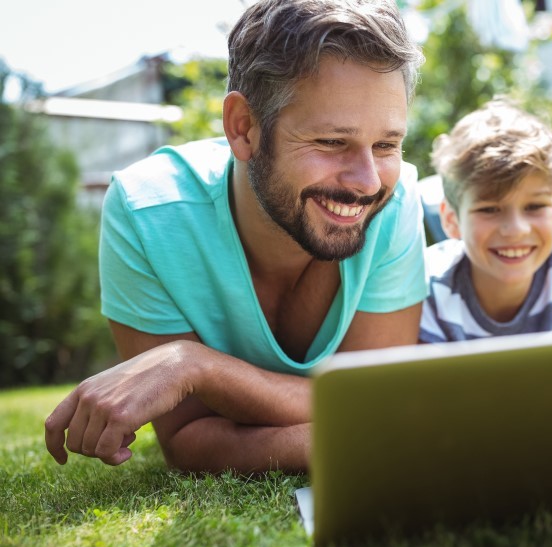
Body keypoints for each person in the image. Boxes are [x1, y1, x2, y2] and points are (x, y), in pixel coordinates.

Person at [44, 0, 427, 473]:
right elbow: (189, 439)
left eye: (386, 144)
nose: (368, 181)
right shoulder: (147, 212)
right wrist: (358, 433)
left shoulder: (396, 199)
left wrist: (194, 366)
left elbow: (380, 404)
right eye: (331, 142)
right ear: (243, 128)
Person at [419, 98, 552, 343]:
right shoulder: (428, 286)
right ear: (451, 219)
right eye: (490, 209)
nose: (515, 230)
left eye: (534, 206)